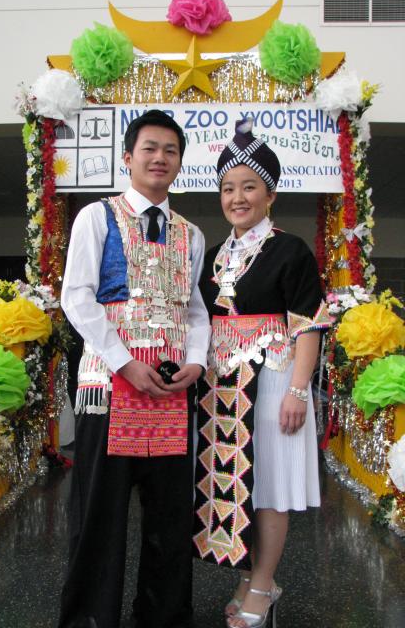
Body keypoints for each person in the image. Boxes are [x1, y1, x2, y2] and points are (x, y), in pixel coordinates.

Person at [58, 109, 210, 628]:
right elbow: (76, 297)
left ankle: (163, 618)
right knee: (99, 518)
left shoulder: (191, 234)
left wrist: (195, 361)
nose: (160, 158)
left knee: (169, 521)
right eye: (150, 148)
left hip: (168, 388)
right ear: (128, 157)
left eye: (170, 151)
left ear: (180, 163)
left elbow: (194, 310)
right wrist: (124, 363)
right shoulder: (97, 217)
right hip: (110, 385)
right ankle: (89, 620)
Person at [193, 120, 332, 628]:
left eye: (249, 186)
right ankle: (254, 575)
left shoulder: (290, 250)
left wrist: (298, 390)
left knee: (270, 486)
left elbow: (309, 324)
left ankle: (264, 583)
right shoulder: (211, 259)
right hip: (221, 383)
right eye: (228, 188)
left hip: (274, 380)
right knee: (237, 483)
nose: (237, 197)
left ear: (269, 193)